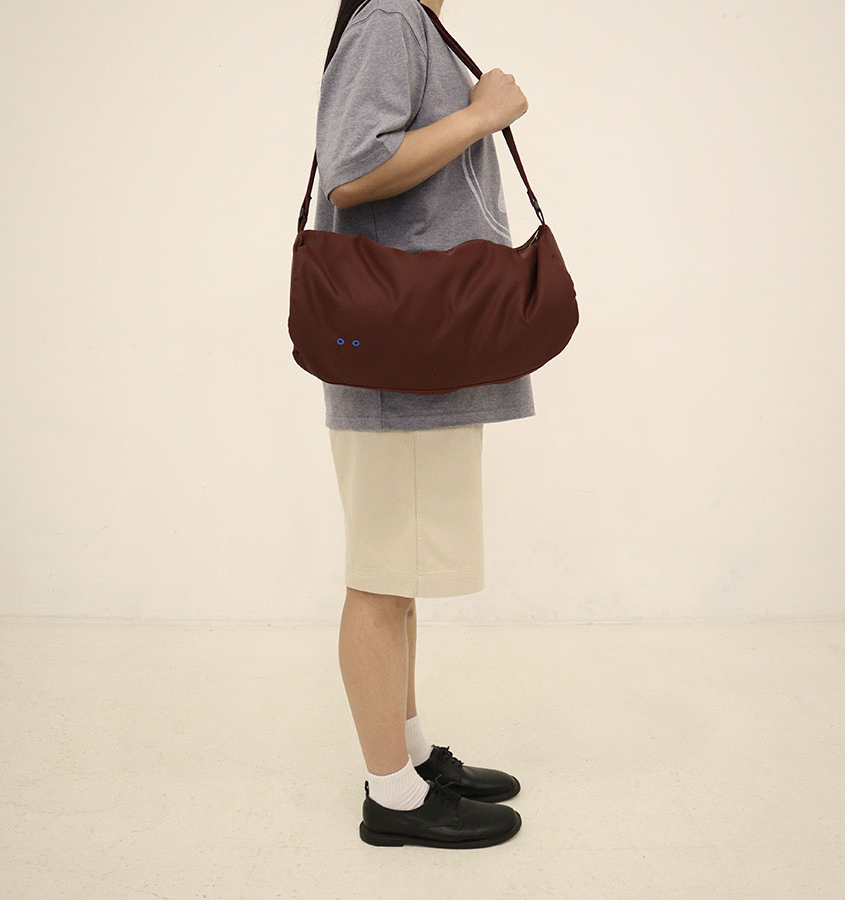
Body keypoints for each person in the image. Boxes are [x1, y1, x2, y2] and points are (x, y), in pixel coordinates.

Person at [314, 0, 532, 848]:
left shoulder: (415, 23)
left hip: (420, 355)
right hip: (398, 362)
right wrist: (482, 115)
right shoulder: (392, 20)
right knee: (380, 579)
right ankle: (392, 800)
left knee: (396, 574)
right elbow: (352, 168)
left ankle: (407, 758)